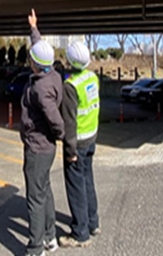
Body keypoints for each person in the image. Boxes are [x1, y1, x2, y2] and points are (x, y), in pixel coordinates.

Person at [21, 9, 65, 256]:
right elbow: (40, 51)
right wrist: (34, 29)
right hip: (46, 148)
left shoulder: (40, 90)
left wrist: (61, 133)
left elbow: (54, 118)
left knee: (35, 198)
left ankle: (36, 248)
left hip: (37, 147)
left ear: (35, 64)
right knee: (44, 190)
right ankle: (50, 237)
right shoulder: (53, 75)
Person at [59, 41, 100, 248]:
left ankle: (80, 233)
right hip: (91, 138)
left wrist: (70, 150)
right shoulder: (92, 77)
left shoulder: (70, 86)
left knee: (76, 187)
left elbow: (69, 123)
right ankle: (93, 222)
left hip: (78, 143)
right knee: (88, 181)